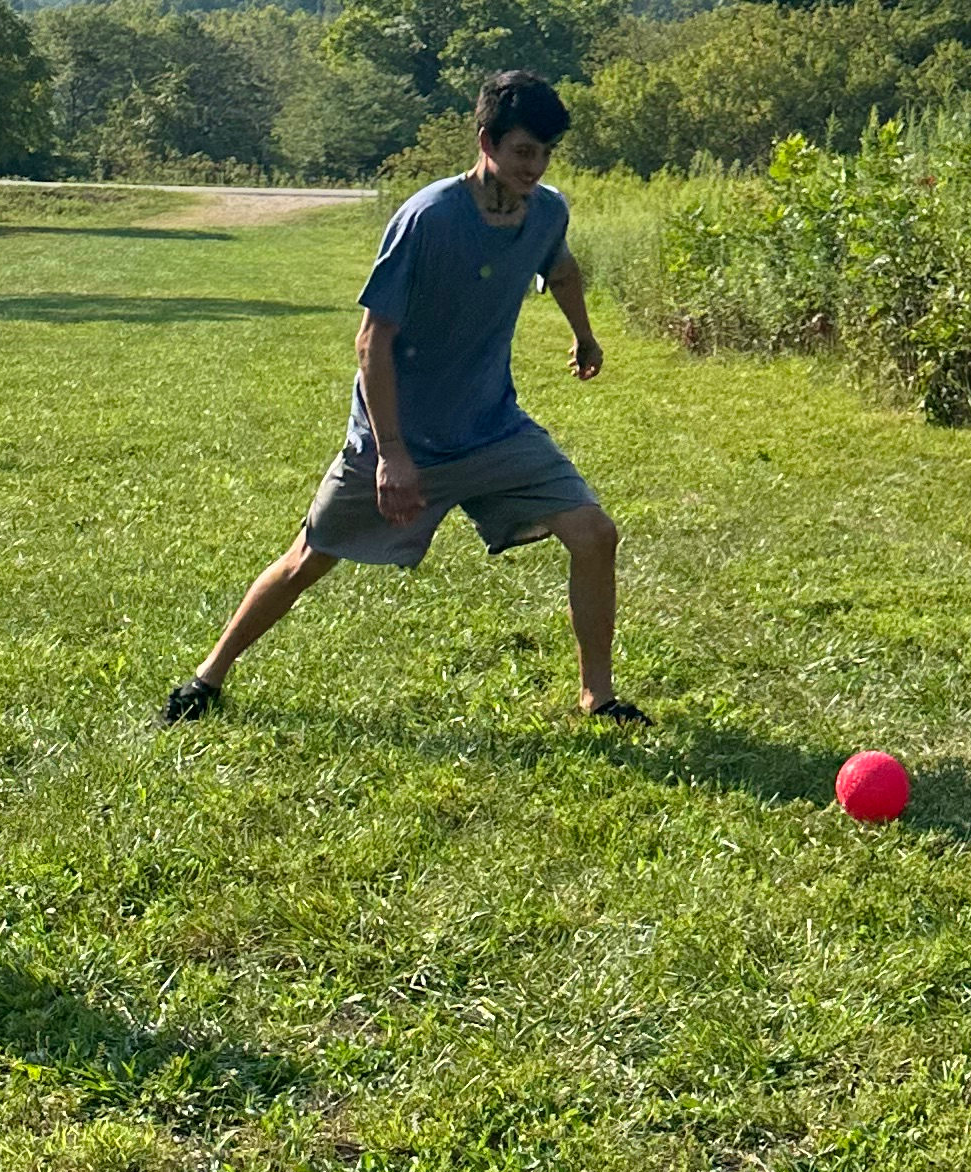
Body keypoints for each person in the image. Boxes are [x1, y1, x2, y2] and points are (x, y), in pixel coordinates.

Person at [163, 68, 642, 726]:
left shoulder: (547, 210)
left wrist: (584, 335)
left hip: (492, 429)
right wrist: (391, 455)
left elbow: (558, 266)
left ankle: (600, 696)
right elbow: (372, 341)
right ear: (487, 142)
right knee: (309, 557)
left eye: (545, 153)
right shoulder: (429, 217)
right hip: (397, 437)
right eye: (524, 150)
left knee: (594, 533)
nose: (535, 165)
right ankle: (206, 679)